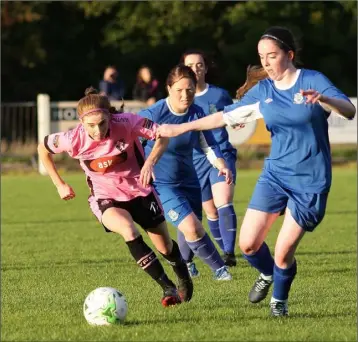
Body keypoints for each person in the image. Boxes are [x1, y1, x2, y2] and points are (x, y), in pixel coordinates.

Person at [157, 27, 356, 316]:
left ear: (289, 55)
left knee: (283, 253)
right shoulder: (263, 91)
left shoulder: (312, 80)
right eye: (261, 57)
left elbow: (349, 110)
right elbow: (224, 117)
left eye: (272, 56)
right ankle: (267, 275)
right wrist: (182, 127)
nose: (265, 62)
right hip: (275, 176)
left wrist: (324, 100)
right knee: (248, 245)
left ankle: (279, 303)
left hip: (311, 180)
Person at [37, 87, 193, 308]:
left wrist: (150, 162)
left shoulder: (127, 122)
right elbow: (42, 148)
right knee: (128, 231)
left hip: (141, 192)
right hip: (106, 197)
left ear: (110, 116)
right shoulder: (72, 139)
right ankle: (167, 287)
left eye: (102, 123)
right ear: (81, 123)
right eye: (91, 126)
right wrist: (59, 184)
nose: (98, 130)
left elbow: (162, 136)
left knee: (166, 247)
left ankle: (182, 274)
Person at [138, 64, 233, 281]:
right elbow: (133, 142)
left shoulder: (196, 112)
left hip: (190, 180)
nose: (185, 95)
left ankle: (187, 265)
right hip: (162, 184)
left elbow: (208, 144)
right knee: (191, 226)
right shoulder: (153, 113)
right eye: (179, 90)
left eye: (190, 89)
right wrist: (145, 166)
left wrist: (221, 165)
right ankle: (221, 270)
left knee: (189, 229)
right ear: (168, 88)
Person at [180, 49, 238, 270]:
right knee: (209, 211)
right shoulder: (179, 98)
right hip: (195, 159)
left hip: (221, 153)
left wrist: (234, 121)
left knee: (223, 200)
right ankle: (212, 254)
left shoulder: (219, 95)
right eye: (190, 65)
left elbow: (231, 115)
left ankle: (229, 253)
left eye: (199, 65)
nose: (195, 69)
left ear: (205, 68)